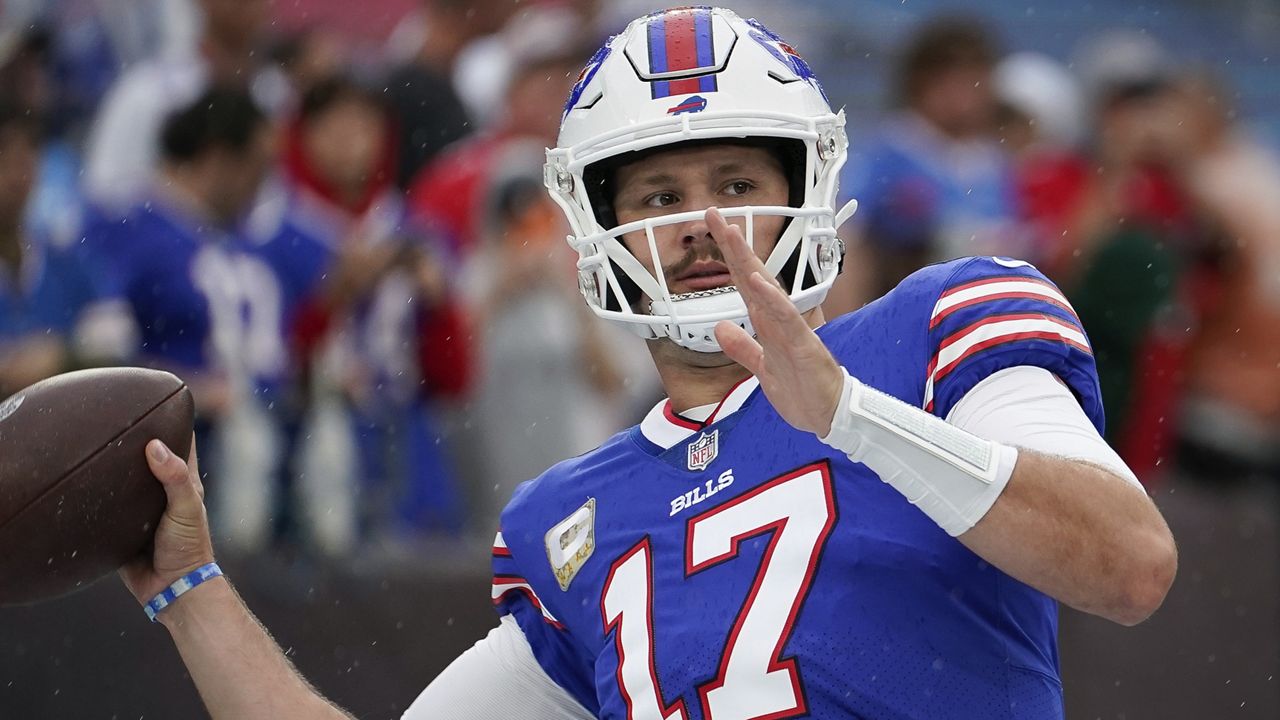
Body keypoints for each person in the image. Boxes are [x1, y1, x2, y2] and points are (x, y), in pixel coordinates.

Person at [122, 8, 1176, 720]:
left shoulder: (941, 324)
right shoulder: (565, 523)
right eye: (659, 198)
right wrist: (189, 585)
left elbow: (1128, 567)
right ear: (597, 231)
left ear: (806, 189)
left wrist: (850, 414)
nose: (701, 223)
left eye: (731, 179)